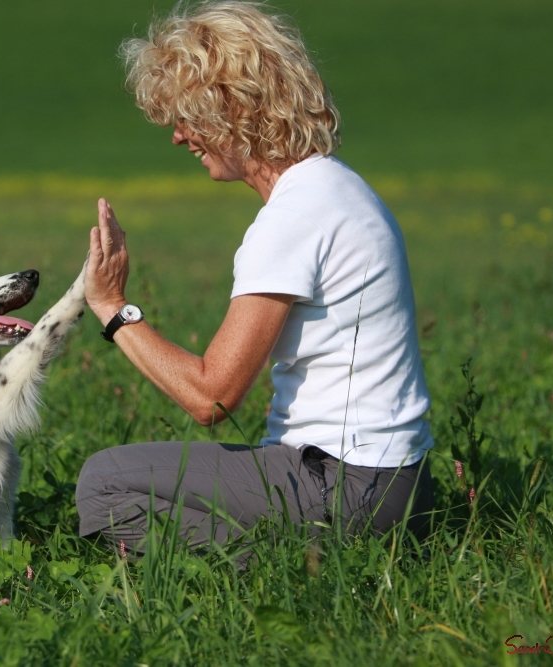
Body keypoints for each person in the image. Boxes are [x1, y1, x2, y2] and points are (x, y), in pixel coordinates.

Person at [76, 1, 434, 551]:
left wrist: (112, 307)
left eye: (187, 117)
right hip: (399, 486)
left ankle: (283, 564)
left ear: (233, 110)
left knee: (103, 483)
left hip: (349, 489)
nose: (178, 136)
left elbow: (212, 398)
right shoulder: (341, 187)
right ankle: (295, 558)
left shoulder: (292, 217)